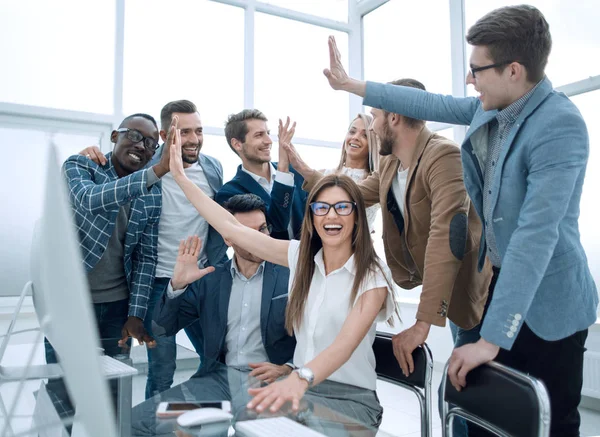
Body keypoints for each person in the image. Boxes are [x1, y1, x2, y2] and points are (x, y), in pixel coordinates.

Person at [321, 5, 598, 435]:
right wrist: (351, 85)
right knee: (491, 416)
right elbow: (428, 102)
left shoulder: (559, 125)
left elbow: (535, 236)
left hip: (550, 300)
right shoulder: (493, 108)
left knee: (550, 421)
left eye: (476, 69)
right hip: (495, 284)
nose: (470, 79)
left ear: (513, 70)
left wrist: (491, 339)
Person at [168, 115, 399, 428]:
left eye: (342, 207)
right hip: (299, 393)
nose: (331, 215)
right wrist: (181, 177)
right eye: (321, 207)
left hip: (350, 401)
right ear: (312, 217)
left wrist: (298, 377)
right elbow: (230, 226)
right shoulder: (299, 257)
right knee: (239, 425)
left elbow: (343, 345)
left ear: (357, 216)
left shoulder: (373, 274)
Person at [285, 78, 491, 380]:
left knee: (471, 387)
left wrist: (422, 323)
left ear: (393, 117)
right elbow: (352, 193)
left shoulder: (444, 156)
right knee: (463, 389)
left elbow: (447, 236)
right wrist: (303, 169)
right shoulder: (391, 164)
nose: (372, 126)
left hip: (475, 292)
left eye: (375, 117)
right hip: (449, 289)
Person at [80, 100, 228, 399]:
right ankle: (152, 430)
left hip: (202, 279)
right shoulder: (146, 166)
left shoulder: (213, 168)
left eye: (198, 130)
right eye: (184, 131)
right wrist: (90, 154)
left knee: (217, 360)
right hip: (157, 282)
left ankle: (195, 422)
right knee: (162, 370)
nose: (194, 139)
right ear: (164, 134)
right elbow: (111, 178)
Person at [49, 112, 168, 422]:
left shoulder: (153, 194)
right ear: (115, 136)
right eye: (134, 136)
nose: (142, 146)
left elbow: (145, 256)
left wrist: (135, 313)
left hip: (115, 308)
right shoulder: (80, 166)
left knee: (114, 394)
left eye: (151, 143)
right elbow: (90, 201)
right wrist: (152, 173)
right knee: (63, 390)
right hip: (68, 304)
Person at [153, 193, 296, 379]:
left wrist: (288, 368)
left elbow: (315, 338)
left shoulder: (291, 275)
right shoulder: (210, 280)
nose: (258, 239)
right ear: (228, 239)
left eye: (262, 230)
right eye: (246, 233)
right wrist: (178, 284)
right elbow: (162, 328)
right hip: (220, 381)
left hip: (276, 382)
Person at [217, 110, 307, 240]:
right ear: (237, 144)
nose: (269, 141)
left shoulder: (295, 173)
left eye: (268, 133)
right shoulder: (229, 194)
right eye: (259, 135)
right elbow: (277, 226)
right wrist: (282, 169)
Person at [323, 113, 380, 233]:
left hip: (359, 248)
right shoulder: (325, 174)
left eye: (364, 135)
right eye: (352, 131)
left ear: (373, 144)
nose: (355, 137)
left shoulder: (375, 182)